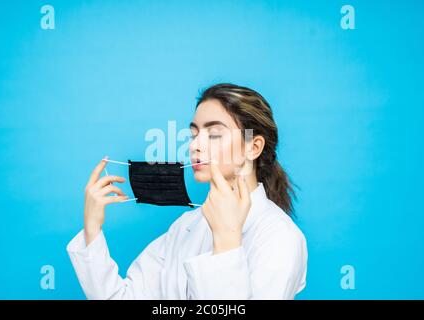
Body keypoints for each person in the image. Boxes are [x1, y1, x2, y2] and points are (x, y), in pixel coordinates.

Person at [66, 83, 308, 299]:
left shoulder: (280, 238)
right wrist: (92, 229)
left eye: (213, 134)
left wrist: (226, 243)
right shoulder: (186, 228)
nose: (195, 145)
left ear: (253, 147)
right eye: (194, 134)